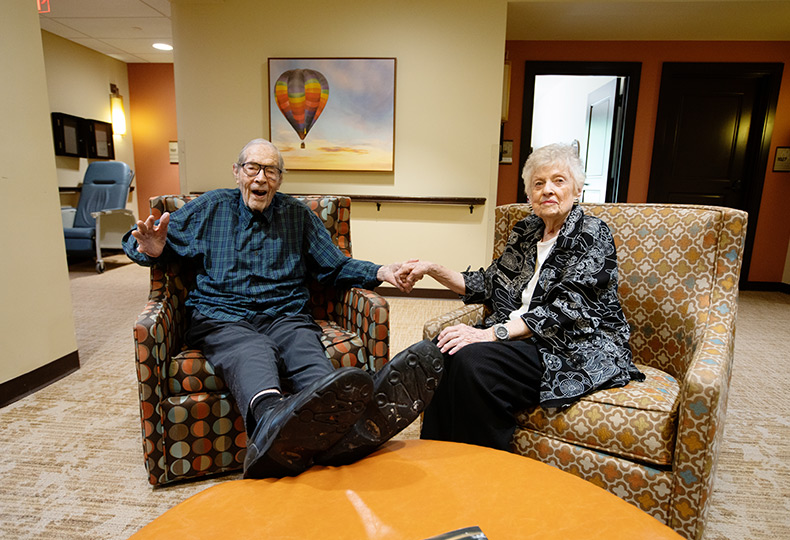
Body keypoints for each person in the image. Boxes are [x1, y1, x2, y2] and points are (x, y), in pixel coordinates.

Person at [123, 138, 443, 479]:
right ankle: (271, 423)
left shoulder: (297, 216)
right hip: (222, 316)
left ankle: (346, 426)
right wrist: (151, 249)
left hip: (285, 314)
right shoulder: (210, 208)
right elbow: (142, 239)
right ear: (237, 172)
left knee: (308, 355)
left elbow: (334, 265)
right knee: (252, 349)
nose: (261, 178)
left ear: (279, 179)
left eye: (271, 170)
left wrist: (382, 271)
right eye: (252, 168)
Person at [396, 143, 644, 451]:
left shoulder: (591, 233)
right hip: (519, 338)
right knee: (440, 352)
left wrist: (491, 334)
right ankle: (436, 454)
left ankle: (485, 463)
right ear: (530, 195)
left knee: (473, 363)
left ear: (577, 189)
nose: (547, 190)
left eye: (558, 181)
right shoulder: (526, 230)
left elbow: (567, 310)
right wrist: (432, 268)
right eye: (538, 184)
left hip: (567, 345)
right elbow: (489, 283)